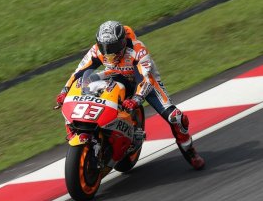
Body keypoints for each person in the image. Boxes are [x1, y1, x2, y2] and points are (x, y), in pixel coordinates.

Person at [56, 20, 205, 170]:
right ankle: (94, 132)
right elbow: (79, 72)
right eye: (103, 46)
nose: (108, 51)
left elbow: (147, 79)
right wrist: (64, 92)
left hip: (144, 82)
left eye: (112, 47)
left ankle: (189, 150)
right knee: (88, 83)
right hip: (115, 75)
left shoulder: (137, 50)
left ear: (122, 42)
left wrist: (136, 99)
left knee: (176, 117)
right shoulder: (96, 50)